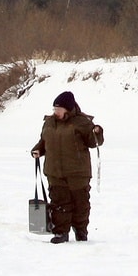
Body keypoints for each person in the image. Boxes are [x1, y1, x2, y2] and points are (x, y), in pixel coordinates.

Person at [31, 91, 104, 244]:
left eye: (59, 109)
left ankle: (81, 231)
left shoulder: (82, 122)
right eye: (54, 109)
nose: (55, 112)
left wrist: (97, 131)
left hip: (78, 172)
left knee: (80, 204)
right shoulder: (49, 123)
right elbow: (44, 141)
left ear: (68, 109)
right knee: (58, 203)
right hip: (54, 171)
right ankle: (61, 233)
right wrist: (38, 149)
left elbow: (94, 142)